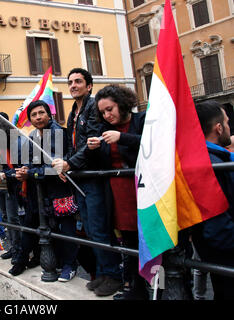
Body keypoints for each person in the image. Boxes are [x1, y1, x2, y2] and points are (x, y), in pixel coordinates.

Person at [52, 68, 122, 296]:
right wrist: (67, 167)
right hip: (80, 178)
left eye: (78, 81)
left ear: (89, 86)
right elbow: (74, 146)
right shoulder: (73, 111)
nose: (73, 85)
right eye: (70, 82)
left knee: (100, 229)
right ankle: (103, 274)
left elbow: (91, 142)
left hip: (94, 176)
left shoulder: (93, 107)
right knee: (91, 230)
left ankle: (113, 276)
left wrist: (70, 164)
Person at [86, 85, 148, 300]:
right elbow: (100, 162)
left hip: (143, 191)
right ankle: (136, 291)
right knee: (129, 243)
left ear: (122, 103)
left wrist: (122, 138)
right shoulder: (104, 129)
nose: (107, 115)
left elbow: (154, 144)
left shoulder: (141, 119)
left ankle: (161, 290)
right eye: (103, 112)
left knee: (150, 241)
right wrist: (92, 148)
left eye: (110, 109)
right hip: (118, 195)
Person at [9, 100, 78, 281]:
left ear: (49, 114)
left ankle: (70, 265)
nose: (38, 117)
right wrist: (25, 170)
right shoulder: (32, 136)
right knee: (48, 230)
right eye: (34, 115)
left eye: (41, 113)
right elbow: (29, 163)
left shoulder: (57, 133)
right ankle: (54, 263)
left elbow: (54, 165)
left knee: (66, 229)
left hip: (61, 190)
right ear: (30, 119)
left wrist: (29, 173)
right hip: (41, 191)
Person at [191, 100, 234, 300]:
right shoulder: (210, 163)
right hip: (224, 252)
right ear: (218, 128)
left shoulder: (211, 158)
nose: (228, 127)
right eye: (226, 123)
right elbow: (217, 227)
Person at [0, 118, 24, 264]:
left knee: (13, 219)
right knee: (5, 217)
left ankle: (18, 250)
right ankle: (13, 248)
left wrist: (3, 174)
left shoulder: (15, 146)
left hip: (11, 187)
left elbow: (20, 168)